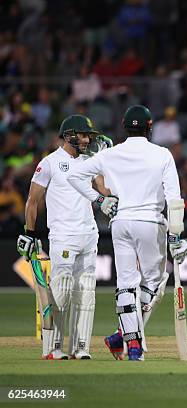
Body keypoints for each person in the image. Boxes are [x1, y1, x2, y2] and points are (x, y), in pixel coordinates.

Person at [67, 105, 187, 361]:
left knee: (125, 284)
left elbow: (75, 177)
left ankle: (128, 343)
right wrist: (176, 235)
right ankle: (126, 338)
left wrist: (99, 201)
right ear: (150, 126)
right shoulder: (162, 154)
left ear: (124, 126)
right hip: (150, 222)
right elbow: (173, 198)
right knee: (154, 283)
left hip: (120, 222)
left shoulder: (110, 154)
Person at [17, 114, 116, 360]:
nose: (86, 140)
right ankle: (53, 347)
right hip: (62, 235)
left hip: (88, 234)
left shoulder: (89, 161)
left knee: (85, 291)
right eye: (83, 135)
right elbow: (33, 200)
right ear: (69, 135)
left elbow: (105, 190)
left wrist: (106, 161)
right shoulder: (50, 162)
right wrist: (30, 233)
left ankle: (81, 348)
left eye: (88, 136)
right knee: (62, 289)